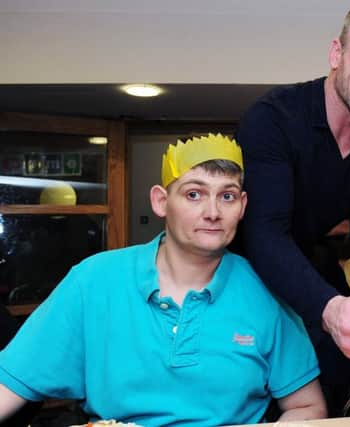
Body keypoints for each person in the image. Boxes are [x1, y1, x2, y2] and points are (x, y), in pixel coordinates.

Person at [0, 134, 327, 426]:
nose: (212, 212)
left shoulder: (267, 289)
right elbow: (10, 383)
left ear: (241, 207)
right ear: (161, 201)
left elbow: (307, 406)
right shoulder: (94, 281)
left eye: (226, 196)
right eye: (194, 194)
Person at [234, 3, 350, 379]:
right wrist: (330, 308)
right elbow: (265, 232)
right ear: (336, 54)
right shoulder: (273, 117)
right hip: (240, 270)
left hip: (311, 263)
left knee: (347, 368)